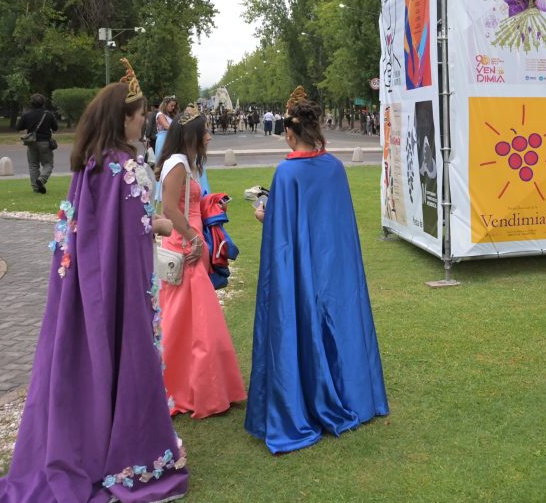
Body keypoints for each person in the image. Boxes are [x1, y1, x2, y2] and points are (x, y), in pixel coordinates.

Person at [0, 60, 187, 503]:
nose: (144, 122)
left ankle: (96, 445)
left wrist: (148, 224)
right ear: (123, 119)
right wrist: (159, 227)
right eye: (139, 116)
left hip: (86, 287)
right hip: (119, 288)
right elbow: (128, 234)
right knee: (127, 358)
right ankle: (130, 455)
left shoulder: (92, 163)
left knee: (90, 363)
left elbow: (104, 228)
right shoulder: (123, 169)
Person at [247, 86, 388, 453]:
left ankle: (304, 401)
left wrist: (264, 214)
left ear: (290, 134)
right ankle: (351, 394)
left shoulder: (287, 173)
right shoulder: (335, 168)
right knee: (338, 324)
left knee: (300, 324)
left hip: (302, 268)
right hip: (334, 267)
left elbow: (283, 231)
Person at [156, 105, 246, 419]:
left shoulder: (182, 162)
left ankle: (194, 384)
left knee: (192, 320)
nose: (208, 137)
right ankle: (189, 386)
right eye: (204, 132)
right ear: (191, 136)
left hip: (190, 243)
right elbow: (169, 208)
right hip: (186, 247)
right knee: (188, 319)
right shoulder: (178, 163)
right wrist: (194, 239)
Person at [14, 93, 58, 194]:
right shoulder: (48, 114)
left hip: (31, 142)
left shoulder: (27, 114)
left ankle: (36, 187)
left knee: (33, 165)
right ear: (43, 103)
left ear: (31, 103)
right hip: (45, 142)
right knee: (48, 163)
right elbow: (55, 128)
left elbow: (18, 127)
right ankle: (42, 179)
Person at [153, 96, 178, 162]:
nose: (173, 107)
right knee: (161, 159)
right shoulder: (160, 114)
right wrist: (178, 129)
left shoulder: (170, 115)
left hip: (170, 138)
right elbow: (166, 126)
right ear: (166, 104)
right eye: (171, 105)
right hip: (163, 138)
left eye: (174, 106)